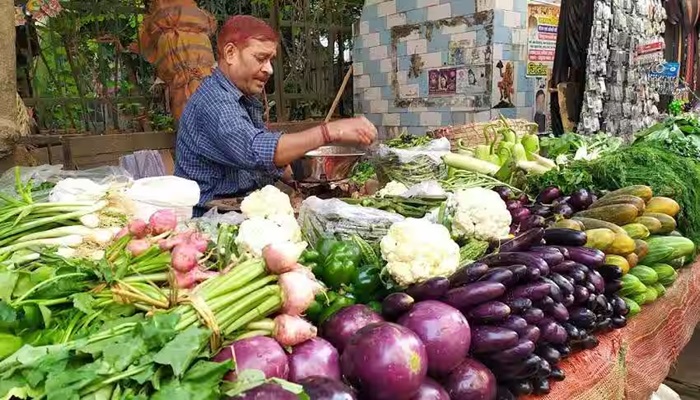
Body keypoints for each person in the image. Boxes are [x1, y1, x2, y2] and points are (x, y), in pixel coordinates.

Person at [175, 15, 377, 216]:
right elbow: (256, 150)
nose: (269, 69)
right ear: (230, 53)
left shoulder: (243, 100)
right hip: (207, 222)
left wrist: (304, 185)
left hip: (242, 212)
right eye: (260, 58)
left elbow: (270, 164)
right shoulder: (214, 101)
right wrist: (330, 132)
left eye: (270, 60)